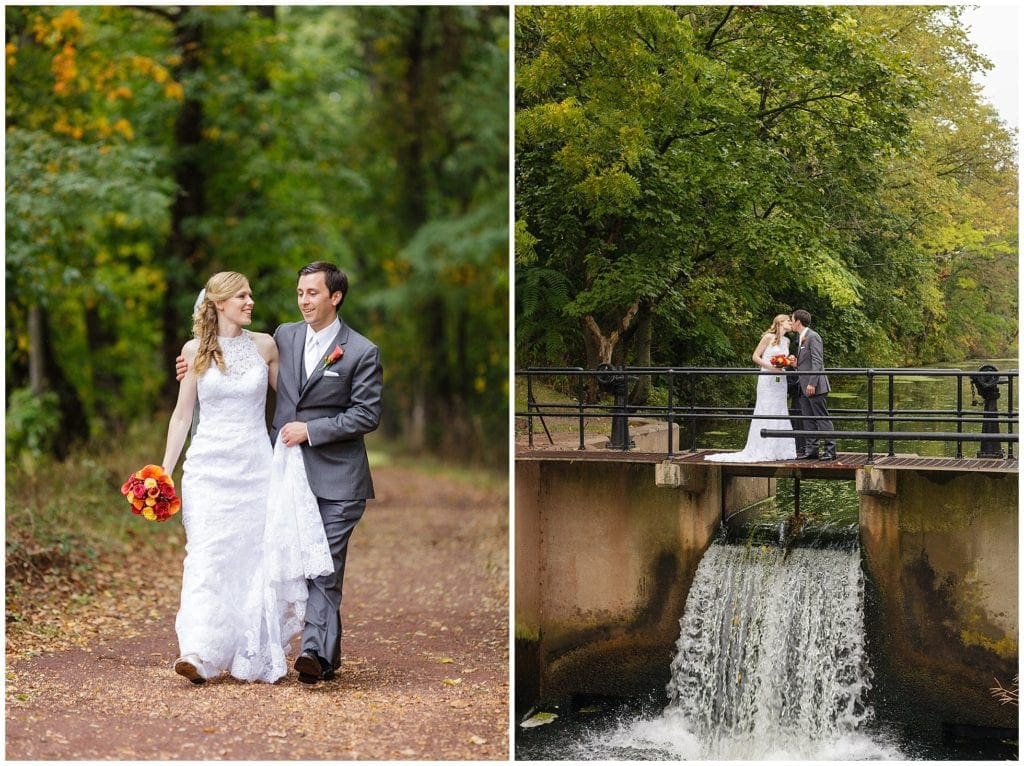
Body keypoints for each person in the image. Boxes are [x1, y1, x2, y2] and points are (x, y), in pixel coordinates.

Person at [176, 261, 383, 685]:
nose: (303, 300)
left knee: (315, 564)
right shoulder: (284, 337)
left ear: (335, 297)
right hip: (255, 469)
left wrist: (312, 429)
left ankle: (310, 652)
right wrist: (192, 366)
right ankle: (208, 649)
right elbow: (238, 374)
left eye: (312, 293)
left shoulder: (355, 350)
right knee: (223, 556)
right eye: (300, 292)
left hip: (310, 472)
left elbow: (356, 410)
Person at [161, 271, 330, 685]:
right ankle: (197, 651)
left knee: (252, 558)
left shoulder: (266, 346)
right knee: (205, 555)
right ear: (219, 303)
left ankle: (247, 647)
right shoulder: (194, 351)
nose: (250, 302)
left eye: (250, 295)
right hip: (206, 469)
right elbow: (182, 416)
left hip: (255, 469)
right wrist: (164, 470)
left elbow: (294, 397)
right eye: (241, 296)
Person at [705, 314, 797, 463]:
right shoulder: (768, 337)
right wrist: (770, 367)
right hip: (768, 379)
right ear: (780, 322)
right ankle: (762, 447)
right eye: (788, 321)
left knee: (780, 409)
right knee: (765, 408)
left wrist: (788, 361)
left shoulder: (787, 341)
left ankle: (779, 449)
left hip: (780, 380)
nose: (790, 323)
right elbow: (755, 356)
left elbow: (783, 360)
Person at [790, 309, 836, 461]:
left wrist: (812, 383)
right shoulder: (801, 337)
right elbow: (807, 362)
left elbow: (817, 361)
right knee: (808, 418)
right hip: (803, 386)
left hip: (814, 385)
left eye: (792, 320)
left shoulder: (813, 336)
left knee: (821, 417)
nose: (791, 323)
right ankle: (812, 450)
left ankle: (830, 450)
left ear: (798, 322)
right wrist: (796, 364)